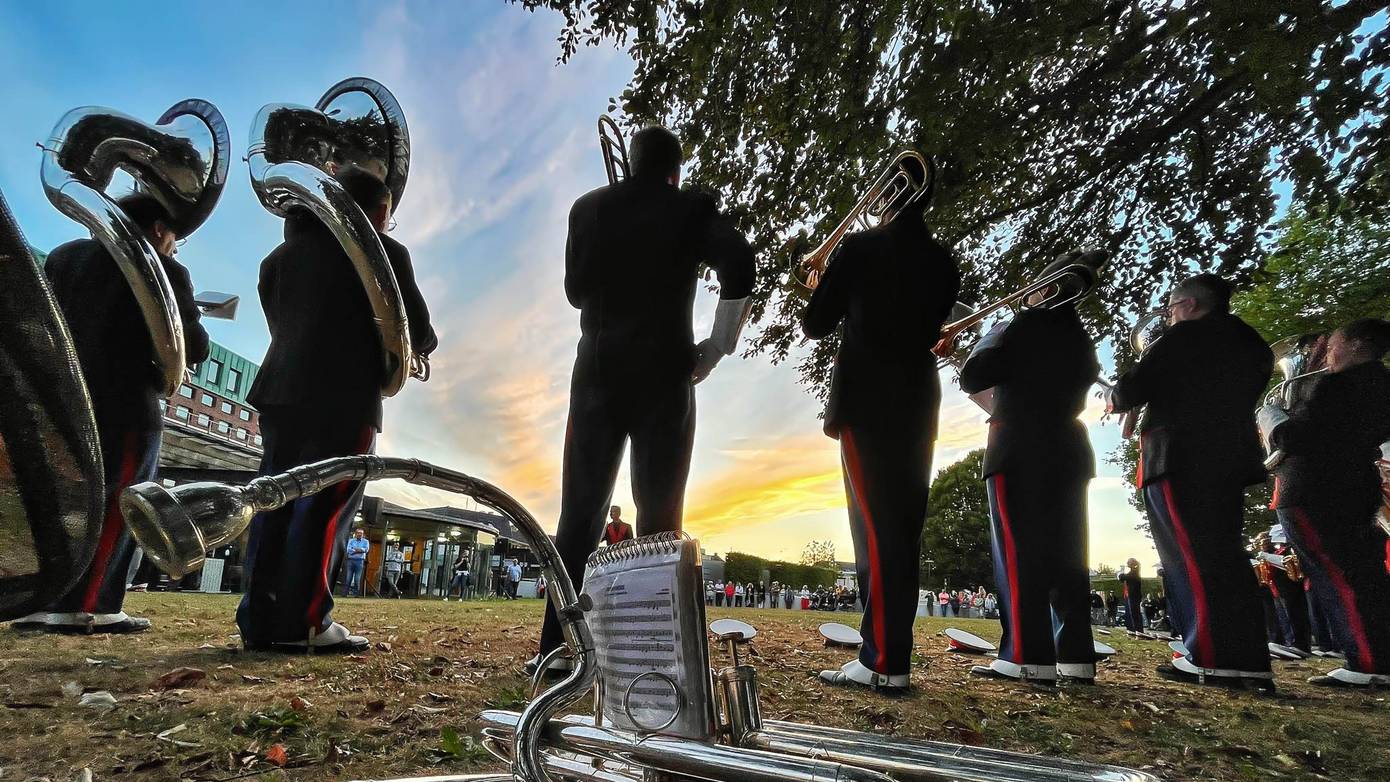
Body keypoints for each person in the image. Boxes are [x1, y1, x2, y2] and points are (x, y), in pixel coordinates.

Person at [532, 126, 756, 676]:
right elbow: (741, 263)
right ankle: (653, 653)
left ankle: (557, 649)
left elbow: (575, 292)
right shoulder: (690, 208)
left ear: (630, 162)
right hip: (665, 378)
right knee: (659, 520)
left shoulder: (587, 209)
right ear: (676, 171)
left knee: (579, 515)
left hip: (596, 378)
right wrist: (716, 348)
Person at [237, 166, 437, 653]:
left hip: (279, 392)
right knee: (325, 506)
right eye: (388, 215)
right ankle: (306, 622)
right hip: (345, 394)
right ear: (379, 212)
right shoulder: (383, 252)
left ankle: (258, 619)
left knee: (273, 501)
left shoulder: (277, 258)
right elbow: (420, 333)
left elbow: (279, 324)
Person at [14, 194, 209, 635]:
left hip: (63, 400)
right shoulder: (164, 269)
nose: (176, 246)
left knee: (57, 501)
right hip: (126, 401)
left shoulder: (64, 257)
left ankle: (37, 599)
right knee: (120, 502)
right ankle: (90, 604)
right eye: (175, 237)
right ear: (159, 230)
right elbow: (195, 346)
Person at [805, 159, 961, 692]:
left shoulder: (861, 248)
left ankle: (884, 661)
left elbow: (815, 323)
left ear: (888, 198)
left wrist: (820, 278)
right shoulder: (945, 262)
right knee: (902, 530)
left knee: (874, 532)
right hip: (918, 402)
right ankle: (890, 652)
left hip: (867, 399)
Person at [1108, 273, 1274, 690]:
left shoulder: (1182, 338)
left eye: (1173, 305)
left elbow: (1131, 389)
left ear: (1192, 305)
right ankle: (1247, 658)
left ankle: (1212, 656)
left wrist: (1118, 391)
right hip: (1228, 457)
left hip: (1179, 455)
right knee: (1225, 554)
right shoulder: (1253, 345)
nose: (1169, 313)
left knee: (1190, 556)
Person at [959, 261, 1099, 683]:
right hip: (1069, 449)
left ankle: (1026, 655)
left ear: (1047, 290)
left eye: (1034, 288)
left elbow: (973, 377)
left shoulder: (1021, 328)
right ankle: (1075, 656)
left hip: (1018, 449)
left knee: (1020, 555)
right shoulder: (1081, 341)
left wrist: (990, 335)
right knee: (1069, 556)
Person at [1260, 319, 1390, 686]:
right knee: (1365, 573)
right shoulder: (1383, 384)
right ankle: (1377, 656)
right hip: (1355, 484)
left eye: (1333, 344)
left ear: (1357, 344)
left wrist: (1270, 417)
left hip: (1314, 487)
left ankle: (1368, 662)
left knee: (1337, 574)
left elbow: (1295, 437)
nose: (1328, 352)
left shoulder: (1337, 386)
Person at [1118, 559, 1144, 635]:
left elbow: (1124, 577)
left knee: (1135, 613)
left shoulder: (1134, 572)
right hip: (1133, 595)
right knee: (1133, 613)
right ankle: (1134, 629)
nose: (1127, 564)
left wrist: (1120, 574)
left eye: (1128, 562)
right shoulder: (1134, 571)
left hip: (1134, 595)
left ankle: (1137, 630)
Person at [344, 529, 370, 597]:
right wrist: (360, 550)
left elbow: (366, 550)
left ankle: (356, 594)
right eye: (358, 533)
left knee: (357, 578)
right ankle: (345, 593)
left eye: (361, 533)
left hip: (360, 561)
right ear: (355, 533)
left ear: (363, 534)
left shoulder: (366, 541)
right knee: (348, 577)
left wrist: (355, 549)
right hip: (350, 560)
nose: (359, 534)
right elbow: (348, 550)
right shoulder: (351, 540)